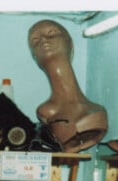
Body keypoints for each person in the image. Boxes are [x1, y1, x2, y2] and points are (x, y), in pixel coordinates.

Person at [28, 19, 108, 153]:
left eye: (51, 34)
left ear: (69, 43)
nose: (43, 41)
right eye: (35, 41)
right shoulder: (45, 112)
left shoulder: (96, 110)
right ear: (35, 57)